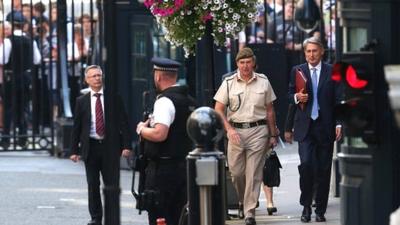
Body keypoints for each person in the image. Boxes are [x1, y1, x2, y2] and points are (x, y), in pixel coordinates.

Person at [214, 47, 279, 225]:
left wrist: (273, 134)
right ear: (237, 64)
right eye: (242, 62)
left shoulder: (263, 82)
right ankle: (244, 200)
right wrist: (229, 129)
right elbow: (218, 110)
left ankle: (249, 212)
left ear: (253, 63)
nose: (245, 66)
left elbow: (270, 110)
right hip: (236, 132)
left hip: (258, 132)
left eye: (248, 62)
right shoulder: (228, 83)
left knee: (253, 173)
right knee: (236, 172)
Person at [136, 57, 196, 225]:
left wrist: (141, 129)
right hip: (184, 168)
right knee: (179, 217)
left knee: (160, 217)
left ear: (158, 77)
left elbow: (159, 134)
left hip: (163, 172)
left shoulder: (164, 101)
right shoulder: (190, 101)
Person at [288, 37, 342, 223]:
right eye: (308, 51)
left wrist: (338, 123)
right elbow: (289, 96)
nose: (311, 54)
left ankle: (320, 210)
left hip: (325, 126)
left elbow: (338, 99)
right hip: (305, 127)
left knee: (323, 169)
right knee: (306, 165)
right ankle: (305, 206)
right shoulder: (298, 70)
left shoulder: (332, 71)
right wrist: (296, 97)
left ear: (321, 52)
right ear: (305, 53)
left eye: (314, 51)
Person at [69, 65, 132, 225]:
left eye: (99, 75)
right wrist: (74, 150)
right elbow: (76, 127)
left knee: (111, 183)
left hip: (110, 147)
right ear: (87, 80)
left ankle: (112, 216)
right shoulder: (81, 101)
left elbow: (123, 122)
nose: (97, 78)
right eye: (93, 76)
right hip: (91, 146)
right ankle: (96, 218)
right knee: (92, 184)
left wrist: (126, 145)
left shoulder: (113, 97)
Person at [1, 11, 41, 149]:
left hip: (11, 77)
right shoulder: (31, 40)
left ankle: (6, 139)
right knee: (23, 107)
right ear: (23, 25)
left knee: (9, 108)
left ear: (12, 25)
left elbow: (3, 59)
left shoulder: (8, 40)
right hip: (25, 77)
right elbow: (37, 60)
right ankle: (22, 138)